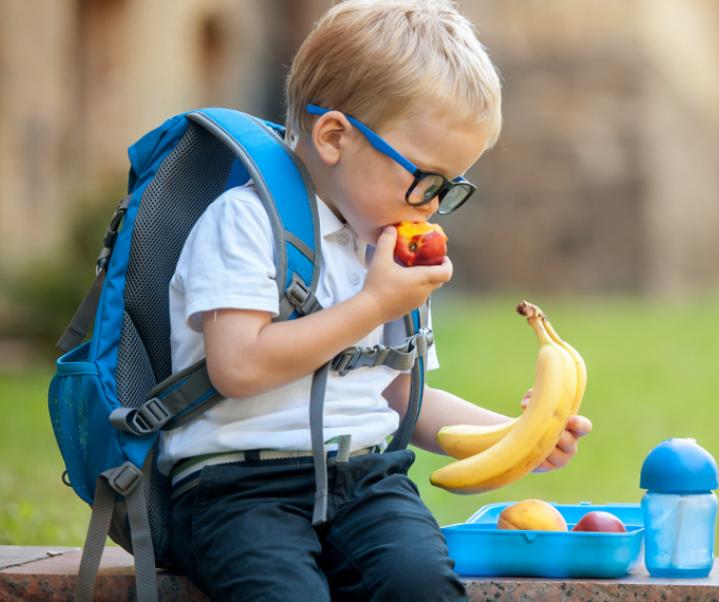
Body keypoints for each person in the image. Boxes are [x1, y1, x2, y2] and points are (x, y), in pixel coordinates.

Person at [160, 1, 592, 599]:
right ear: (335, 137)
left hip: (366, 480)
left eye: (450, 186)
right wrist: (372, 306)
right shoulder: (246, 223)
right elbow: (236, 366)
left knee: (421, 584)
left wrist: (519, 434)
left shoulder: (388, 251)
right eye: (424, 179)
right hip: (239, 487)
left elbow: (399, 394)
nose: (432, 205)